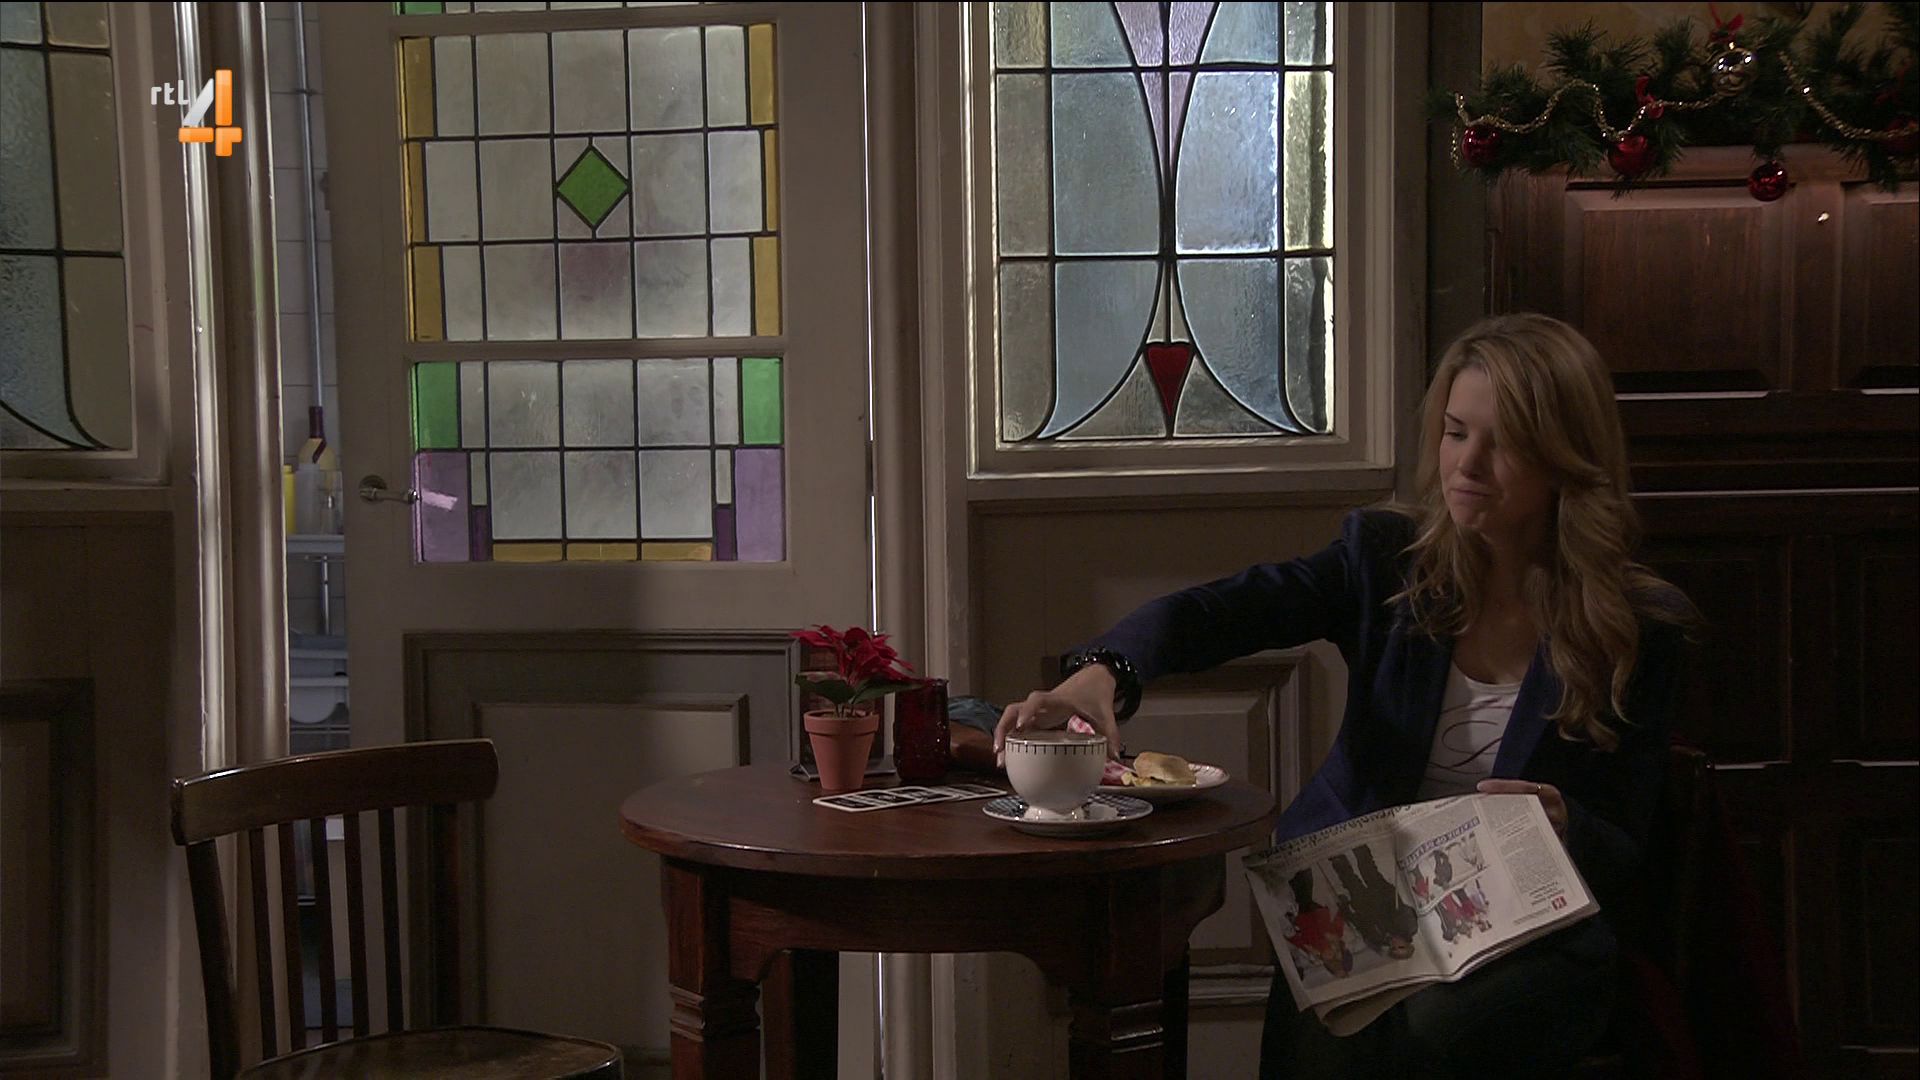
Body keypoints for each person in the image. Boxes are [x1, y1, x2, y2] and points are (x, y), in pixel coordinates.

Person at [992, 313, 1698, 1077]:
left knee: (1426, 1029)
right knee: (1339, 1021)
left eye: (1505, 444)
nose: (1467, 464)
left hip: (1532, 934)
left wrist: (1564, 823)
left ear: (1564, 459)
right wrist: (1105, 669)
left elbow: (1630, 849)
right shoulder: (1387, 563)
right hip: (1370, 908)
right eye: (1455, 433)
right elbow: (1221, 611)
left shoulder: (1636, 629)